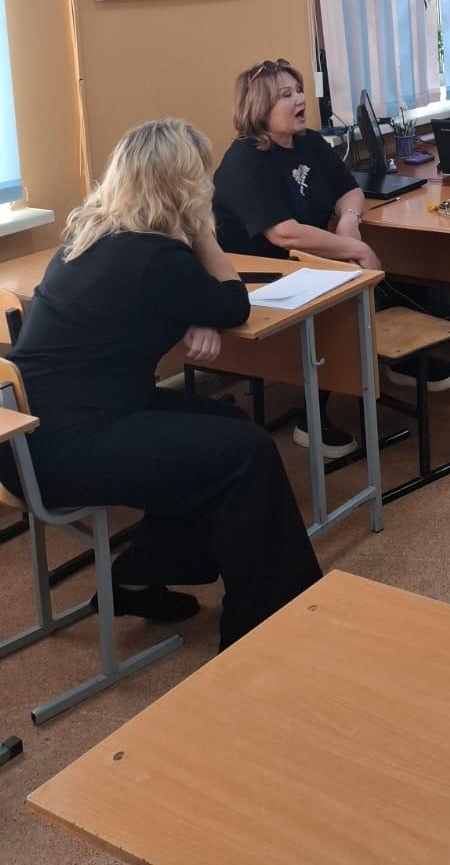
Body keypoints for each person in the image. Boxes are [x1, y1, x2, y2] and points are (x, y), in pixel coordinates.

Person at [0, 119, 320, 649]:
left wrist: (195, 311)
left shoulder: (89, 239)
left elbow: (177, 299)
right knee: (246, 452)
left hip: (31, 436)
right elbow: (233, 302)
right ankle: (261, 629)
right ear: (181, 185)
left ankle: (136, 576)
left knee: (225, 425)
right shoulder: (155, 257)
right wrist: (202, 233)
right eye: (201, 175)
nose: (209, 184)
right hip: (68, 447)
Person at [212, 59, 450, 459]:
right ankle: (312, 420)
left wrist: (348, 222)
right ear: (259, 108)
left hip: (308, 263)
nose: (300, 100)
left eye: (299, 90)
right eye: (286, 95)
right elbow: (283, 233)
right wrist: (354, 248)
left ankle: (394, 360)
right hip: (263, 279)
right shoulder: (244, 161)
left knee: (378, 270)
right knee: (346, 290)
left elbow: (350, 189)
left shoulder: (309, 143)